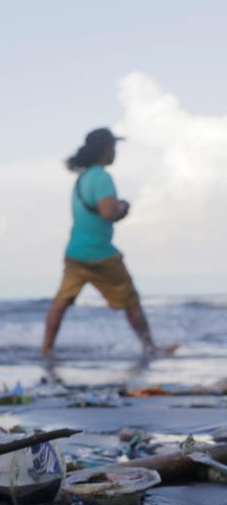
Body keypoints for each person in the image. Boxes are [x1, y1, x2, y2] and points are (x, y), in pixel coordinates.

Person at [42, 127, 176, 357]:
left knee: (62, 301)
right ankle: (150, 348)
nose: (115, 153)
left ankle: (46, 350)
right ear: (105, 150)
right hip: (100, 253)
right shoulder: (102, 178)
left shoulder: (82, 178)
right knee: (131, 299)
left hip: (75, 252)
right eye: (113, 147)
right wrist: (123, 207)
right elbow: (107, 212)